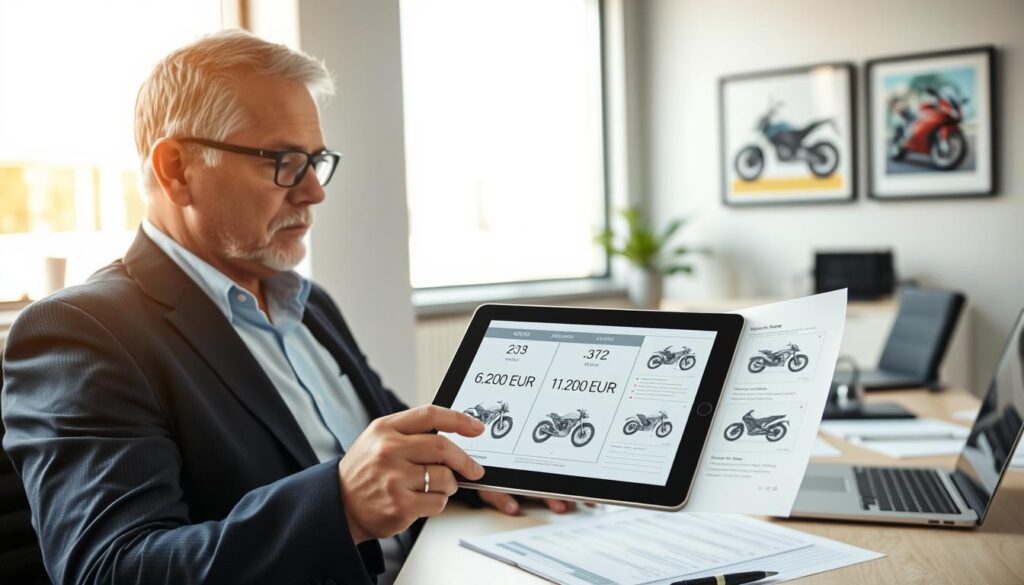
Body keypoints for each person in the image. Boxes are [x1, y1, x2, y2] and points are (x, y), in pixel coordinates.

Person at [0, 30, 572, 585]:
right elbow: (111, 568)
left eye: (315, 161)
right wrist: (340, 507)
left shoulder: (307, 302)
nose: (313, 191)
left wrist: (480, 473)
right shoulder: (84, 332)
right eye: (282, 162)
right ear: (176, 170)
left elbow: (395, 443)